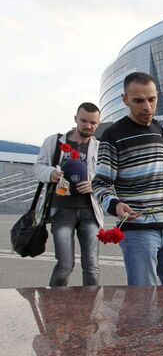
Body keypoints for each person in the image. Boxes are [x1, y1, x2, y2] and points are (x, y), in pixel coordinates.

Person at [92, 72, 163, 286]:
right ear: (125, 99)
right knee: (143, 297)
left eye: (152, 99)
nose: (147, 107)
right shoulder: (113, 134)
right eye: (138, 100)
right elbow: (100, 183)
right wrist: (115, 205)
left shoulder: (159, 129)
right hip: (137, 231)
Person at [33, 102, 104, 286]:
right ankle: (53, 308)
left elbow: (108, 176)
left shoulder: (100, 147)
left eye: (93, 123)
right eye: (84, 121)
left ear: (98, 123)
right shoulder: (54, 142)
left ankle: (90, 311)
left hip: (90, 212)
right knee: (65, 266)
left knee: (92, 268)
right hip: (62, 211)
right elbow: (37, 168)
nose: (88, 126)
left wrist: (94, 184)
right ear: (75, 119)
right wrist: (51, 173)